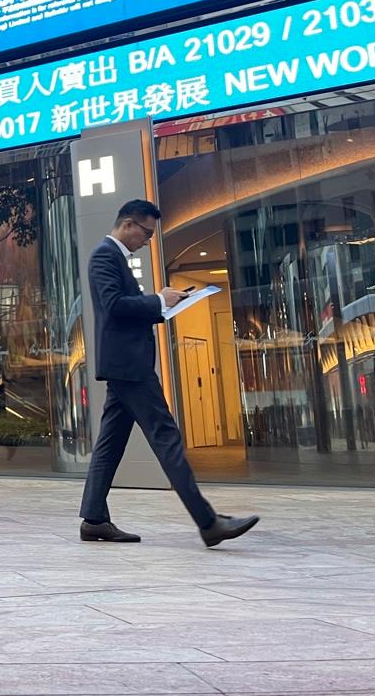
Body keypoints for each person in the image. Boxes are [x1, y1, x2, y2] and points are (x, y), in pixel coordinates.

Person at [79, 199, 260, 548]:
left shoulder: (114, 256)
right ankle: (208, 523)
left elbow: (122, 308)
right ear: (129, 224)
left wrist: (164, 304)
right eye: (146, 233)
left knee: (110, 445)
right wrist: (159, 300)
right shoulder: (105, 255)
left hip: (125, 365)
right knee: (166, 438)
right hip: (129, 366)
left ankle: (94, 519)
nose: (147, 240)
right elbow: (113, 306)